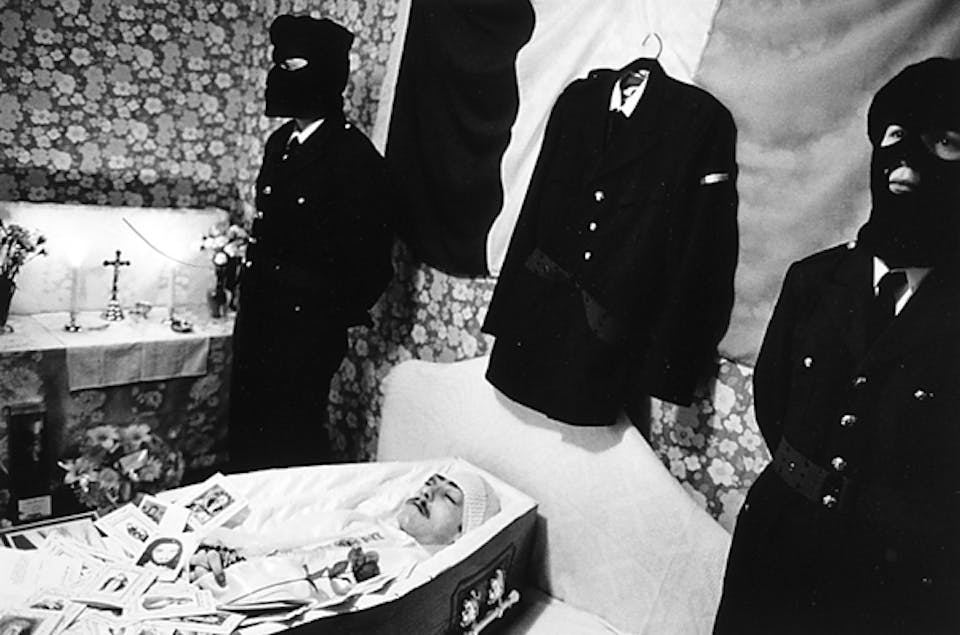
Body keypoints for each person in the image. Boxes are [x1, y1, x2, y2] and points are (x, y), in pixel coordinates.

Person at [713, 57, 960, 635]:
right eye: (895, 135)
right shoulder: (813, 280)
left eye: (944, 142)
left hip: (894, 580)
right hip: (776, 545)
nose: (907, 161)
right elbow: (775, 402)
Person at [229, 14, 394, 472]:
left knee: (290, 436)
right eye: (277, 64)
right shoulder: (280, 142)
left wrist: (322, 317)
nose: (279, 76)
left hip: (305, 329)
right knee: (247, 428)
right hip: (259, 314)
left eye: (294, 65)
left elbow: (372, 261)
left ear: (328, 73)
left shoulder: (354, 157)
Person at [188, 468, 501, 595]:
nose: (428, 492)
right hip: (227, 581)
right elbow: (272, 541)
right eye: (429, 483)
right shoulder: (359, 522)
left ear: (463, 532)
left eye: (449, 497)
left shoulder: (420, 575)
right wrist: (223, 552)